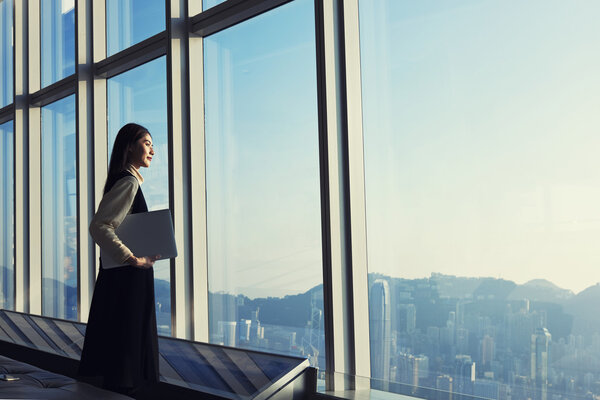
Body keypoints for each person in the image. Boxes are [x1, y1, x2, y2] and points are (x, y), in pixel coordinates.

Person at [78, 123, 160, 397]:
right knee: (126, 356)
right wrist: (132, 259)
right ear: (129, 147)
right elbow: (99, 226)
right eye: (147, 143)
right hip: (127, 282)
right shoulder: (129, 182)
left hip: (121, 279)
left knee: (118, 356)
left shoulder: (125, 180)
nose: (152, 149)